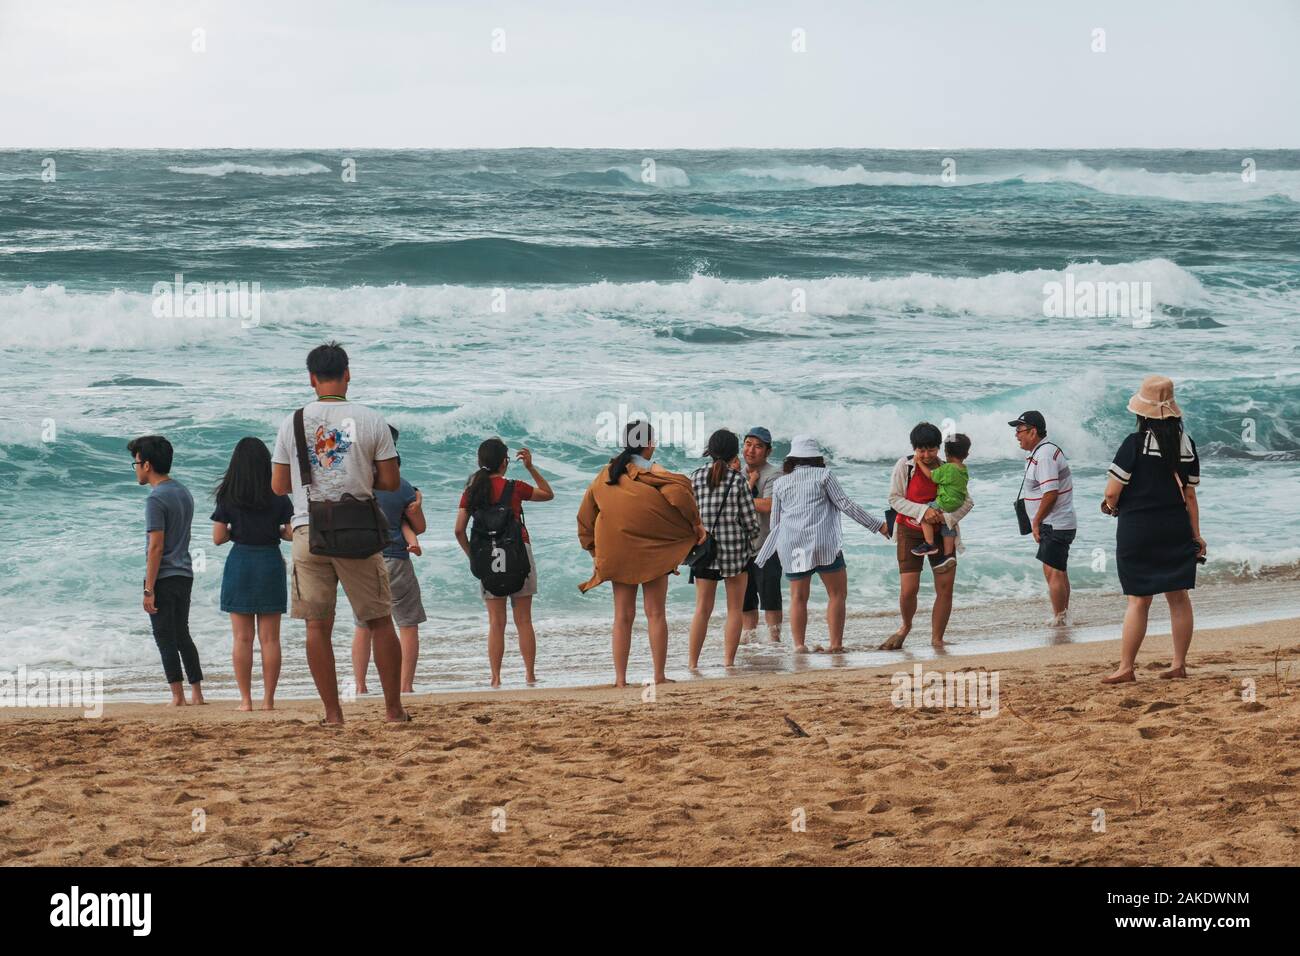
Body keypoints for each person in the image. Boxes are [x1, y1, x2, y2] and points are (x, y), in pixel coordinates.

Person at [270, 341, 408, 725]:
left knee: (318, 625)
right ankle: (393, 710)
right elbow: (391, 481)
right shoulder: (370, 418)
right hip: (357, 530)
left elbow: (279, 484)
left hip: (307, 530)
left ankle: (333, 714)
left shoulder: (292, 421)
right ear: (347, 374)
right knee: (379, 620)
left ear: (312, 379)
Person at [576, 421, 705, 686]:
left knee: (622, 616)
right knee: (655, 613)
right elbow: (679, 496)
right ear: (648, 444)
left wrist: (594, 550)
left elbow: (585, 517)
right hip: (655, 551)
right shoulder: (654, 472)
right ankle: (658, 676)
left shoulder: (605, 474)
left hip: (619, 552)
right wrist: (695, 525)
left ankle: (621, 679)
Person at [1101, 376, 1205, 684]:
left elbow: (1111, 493)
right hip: (1176, 527)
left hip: (1138, 529)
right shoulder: (1187, 445)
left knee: (1138, 599)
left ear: (1141, 413)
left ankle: (1126, 667)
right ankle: (1178, 664)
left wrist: (1110, 508)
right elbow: (1190, 496)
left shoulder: (1134, 444)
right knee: (1178, 596)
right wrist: (1196, 534)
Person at [754, 435, 887, 653]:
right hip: (824, 542)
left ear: (791, 459)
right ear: (816, 457)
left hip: (793, 544)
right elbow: (845, 504)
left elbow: (776, 523)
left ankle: (799, 646)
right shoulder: (824, 475)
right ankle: (835, 644)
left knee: (798, 597)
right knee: (837, 594)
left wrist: (765, 554)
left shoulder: (780, 483)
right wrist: (877, 525)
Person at [455, 438, 553, 687]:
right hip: (519, 553)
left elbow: (458, 530)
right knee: (524, 621)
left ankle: (496, 678)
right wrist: (531, 467)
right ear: (504, 462)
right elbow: (548, 494)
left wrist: (474, 557)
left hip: (488, 557)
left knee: (496, 623)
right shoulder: (514, 487)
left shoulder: (472, 491)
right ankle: (530, 675)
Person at [211, 437, 293, 711]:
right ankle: (269, 700)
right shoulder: (278, 493)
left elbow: (218, 538)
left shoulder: (228, 494)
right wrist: (275, 531)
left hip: (241, 562)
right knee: (270, 639)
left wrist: (239, 531)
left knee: (242, 638)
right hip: (269, 561)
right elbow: (292, 533)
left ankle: (246, 700)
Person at [880, 422, 975, 650]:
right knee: (909, 590)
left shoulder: (947, 468)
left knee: (945, 588)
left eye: (931, 450)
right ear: (914, 448)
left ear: (938, 448)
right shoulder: (905, 466)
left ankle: (937, 639)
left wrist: (944, 518)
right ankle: (905, 626)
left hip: (942, 534)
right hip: (909, 532)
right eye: (921, 450)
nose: (926, 455)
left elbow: (967, 501)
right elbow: (894, 499)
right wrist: (924, 511)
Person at [130, 435, 204, 706]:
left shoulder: (155, 499)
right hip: (184, 572)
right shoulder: (183, 491)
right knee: (182, 632)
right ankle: (197, 693)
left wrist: (148, 588)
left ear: (147, 464)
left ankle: (177, 696)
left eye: (136, 462)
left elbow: (156, 547)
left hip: (164, 575)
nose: (135, 468)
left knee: (164, 636)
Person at [353, 426, 427, 696]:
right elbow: (419, 526)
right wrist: (416, 502)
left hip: (362, 562)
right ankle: (405, 685)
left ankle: (360, 685)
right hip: (396, 559)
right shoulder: (401, 485)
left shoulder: (354, 482)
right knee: (407, 624)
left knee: (363, 626)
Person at [688, 429, 760, 668]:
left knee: (702, 609)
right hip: (735, 553)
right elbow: (751, 523)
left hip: (704, 552)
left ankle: (692, 663)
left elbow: (689, 516)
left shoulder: (695, 477)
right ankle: (728, 662)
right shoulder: (738, 479)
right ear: (733, 453)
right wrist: (750, 542)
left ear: (709, 450)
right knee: (734, 610)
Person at [741, 426, 784, 644]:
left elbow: (768, 505)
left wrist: (739, 500)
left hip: (767, 547)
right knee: (746, 603)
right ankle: (750, 644)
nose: (751, 450)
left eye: (758, 446)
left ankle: (774, 642)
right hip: (741, 549)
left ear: (768, 451)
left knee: (771, 600)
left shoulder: (774, 474)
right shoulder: (737, 473)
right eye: (748, 444)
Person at [909, 433, 972, 561]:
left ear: (946, 453)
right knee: (949, 525)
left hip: (945, 502)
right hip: (957, 503)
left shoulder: (948, 468)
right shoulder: (964, 469)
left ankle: (930, 544)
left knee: (924, 513)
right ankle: (948, 555)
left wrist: (919, 463)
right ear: (966, 454)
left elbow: (931, 476)